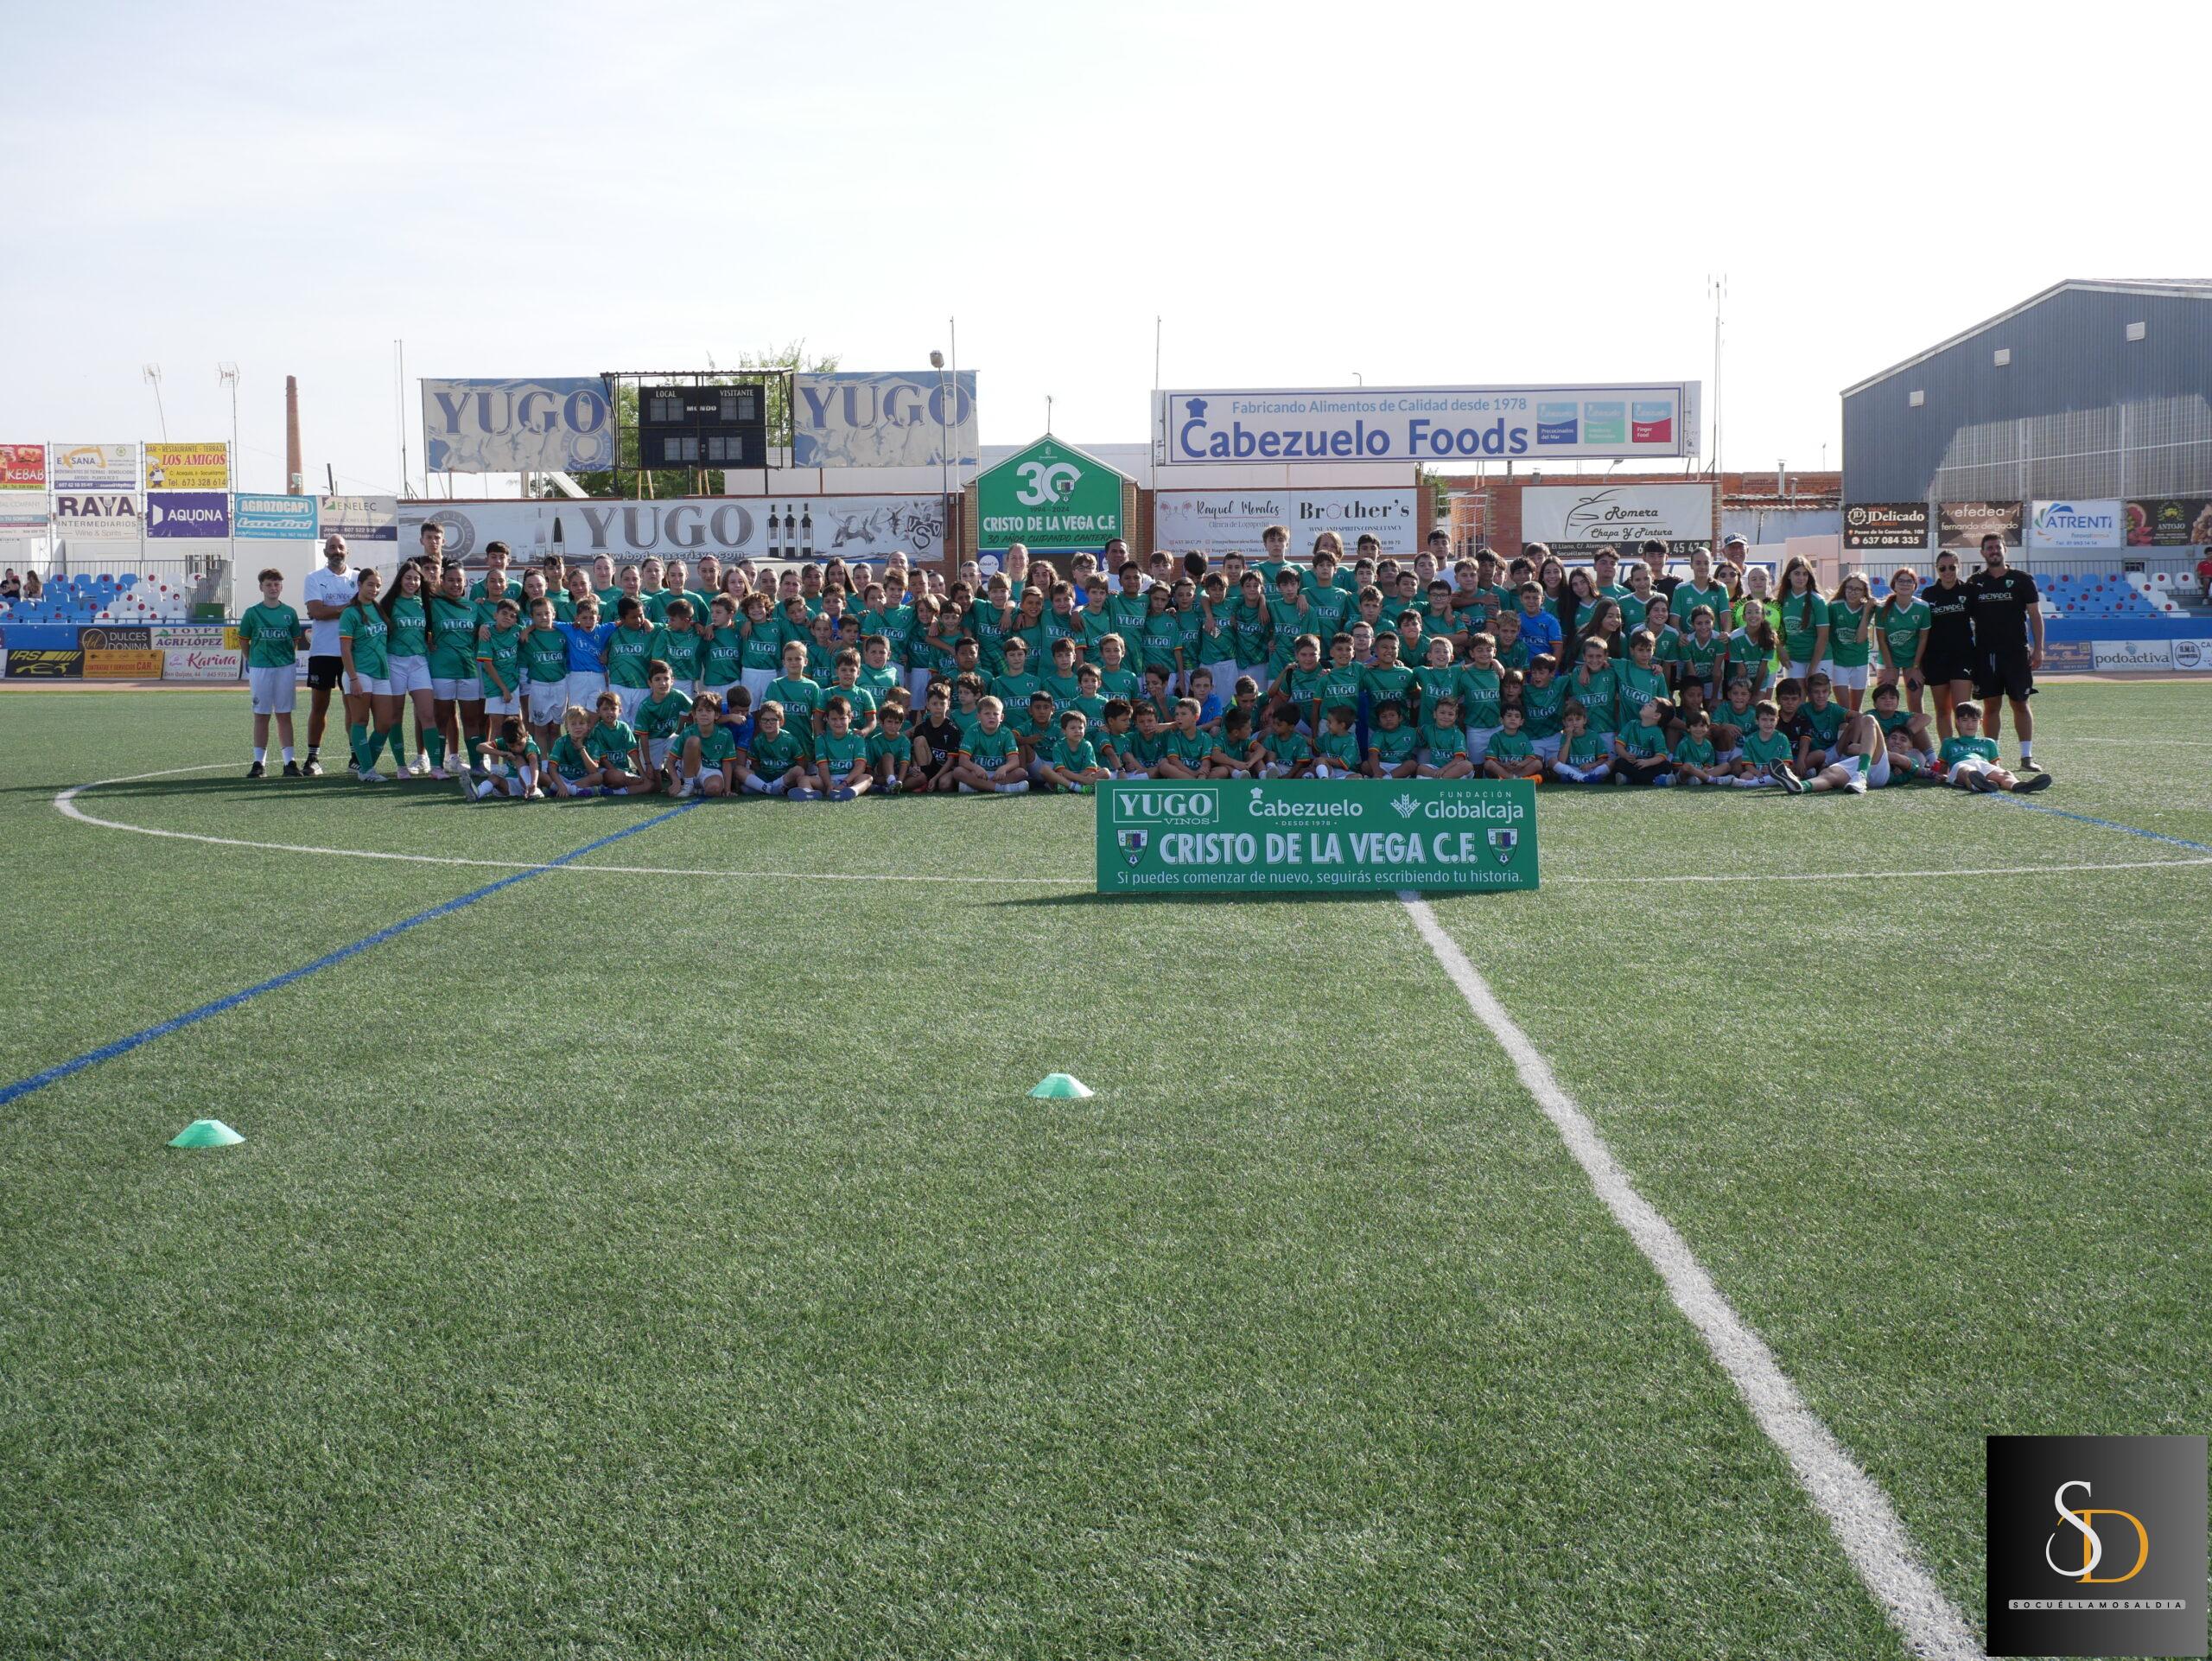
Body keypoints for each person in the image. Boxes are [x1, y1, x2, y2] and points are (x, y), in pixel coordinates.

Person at [1965, 535, 2044, 771]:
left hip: (2016, 653)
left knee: (2020, 703)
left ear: (2004, 550)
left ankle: (2026, 757)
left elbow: (2035, 616)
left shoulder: (2022, 580)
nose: (1994, 551)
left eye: (1997, 547)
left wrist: (2038, 648)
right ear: (1983, 553)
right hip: (1986, 653)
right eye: (1989, 548)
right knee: (1991, 706)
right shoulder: (1974, 583)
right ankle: (1993, 759)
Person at [238, 567, 308, 779]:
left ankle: (290, 763)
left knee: (284, 715)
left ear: (281, 587)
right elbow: (244, 640)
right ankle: (259, 763)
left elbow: (295, 639)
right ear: (261, 587)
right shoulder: (252, 612)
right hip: (261, 669)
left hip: (285, 668)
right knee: (261, 715)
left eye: (276, 584)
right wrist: (253, 659)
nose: (273, 588)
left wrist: (283, 658)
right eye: (268, 584)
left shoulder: (289, 613)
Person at [300, 534, 359, 775]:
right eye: (332, 547)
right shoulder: (314, 578)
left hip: (353, 652)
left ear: (348, 551)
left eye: (341, 547)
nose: (337, 551)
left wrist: (331, 609)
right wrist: (347, 609)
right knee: (319, 706)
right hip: (323, 650)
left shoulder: (358, 578)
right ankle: (312, 758)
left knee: (353, 706)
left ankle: (355, 756)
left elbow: (364, 608)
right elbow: (316, 611)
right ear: (325, 553)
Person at [336, 567, 396, 784]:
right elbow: (345, 649)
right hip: (359, 673)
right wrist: (353, 679)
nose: (374, 589)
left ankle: (364, 765)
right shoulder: (350, 613)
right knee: (360, 721)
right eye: (370, 584)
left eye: (378, 585)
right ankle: (368, 770)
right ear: (359, 585)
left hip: (381, 674)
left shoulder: (379, 610)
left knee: (385, 723)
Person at [1919, 550, 1978, 740]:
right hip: (1935, 658)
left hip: (1963, 656)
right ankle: (1947, 752)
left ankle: (1965, 751)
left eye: (1952, 567)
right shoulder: (1928, 594)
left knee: (1962, 710)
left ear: (1958, 567)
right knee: (1942, 710)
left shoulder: (1967, 591)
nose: (1947, 572)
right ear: (1937, 570)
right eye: (1943, 568)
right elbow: (1922, 629)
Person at [1938, 702, 2050, 793]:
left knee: (2005, 774)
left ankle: (2018, 786)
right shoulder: (1949, 742)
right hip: (1961, 765)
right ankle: (1979, 785)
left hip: (1982, 764)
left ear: (1980, 722)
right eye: (1965, 720)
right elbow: (1943, 768)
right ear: (1957, 722)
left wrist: (1997, 774)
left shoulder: (1988, 742)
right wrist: (1942, 776)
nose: (1970, 725)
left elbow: (1994, 766)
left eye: (1974, 720)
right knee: (1968, 772)